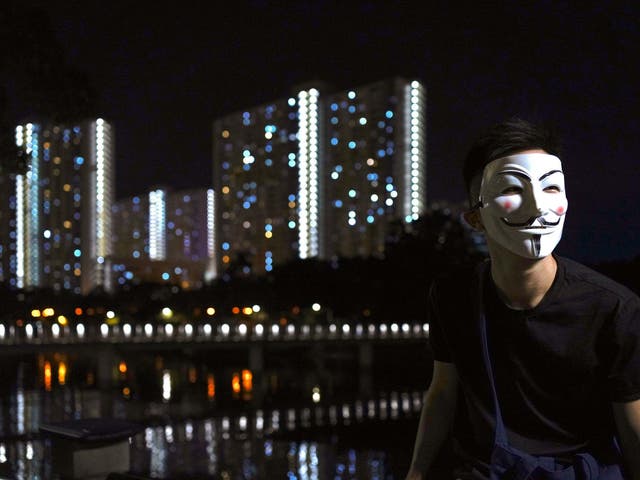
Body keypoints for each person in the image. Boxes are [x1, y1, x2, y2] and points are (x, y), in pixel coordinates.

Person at [405, 118, 640, 480]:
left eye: (551, 188)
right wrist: (417, 472)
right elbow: (443, 392)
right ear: (475, 218)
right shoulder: (453, 295)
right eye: (512, 187)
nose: (537, 206)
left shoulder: (612, 308)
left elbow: (632, 426)